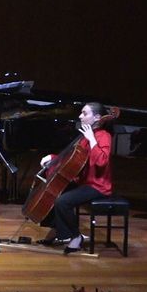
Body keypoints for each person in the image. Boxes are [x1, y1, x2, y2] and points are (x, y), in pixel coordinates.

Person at [36, 102, 113, 254]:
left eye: (84, 113)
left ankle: (75, 236)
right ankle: (57, 229)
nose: (80, 116)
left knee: (62, 202)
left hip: (97, 186)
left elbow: (101, 161)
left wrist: (92, 140)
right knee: (53, 193)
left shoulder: (103, 136)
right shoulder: (85, 136)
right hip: (83, 182)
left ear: (97, 117)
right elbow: (71, 158)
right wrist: (52, 157)